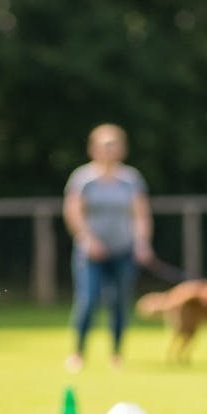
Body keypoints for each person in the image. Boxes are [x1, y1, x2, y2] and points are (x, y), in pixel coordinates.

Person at [62, 123, 154, 372]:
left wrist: (142, 243)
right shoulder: (82, 179)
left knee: (119, 302)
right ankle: (78, 354)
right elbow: (73, 212)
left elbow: (140, 214)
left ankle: (116, 354)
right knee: (88, 300)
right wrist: (88, 239)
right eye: (104, 146)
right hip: (90, 254)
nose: (109, 151)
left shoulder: (131, 179)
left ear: (122, 149)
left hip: (123, 251)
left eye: (114, 146)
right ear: (93, 149)